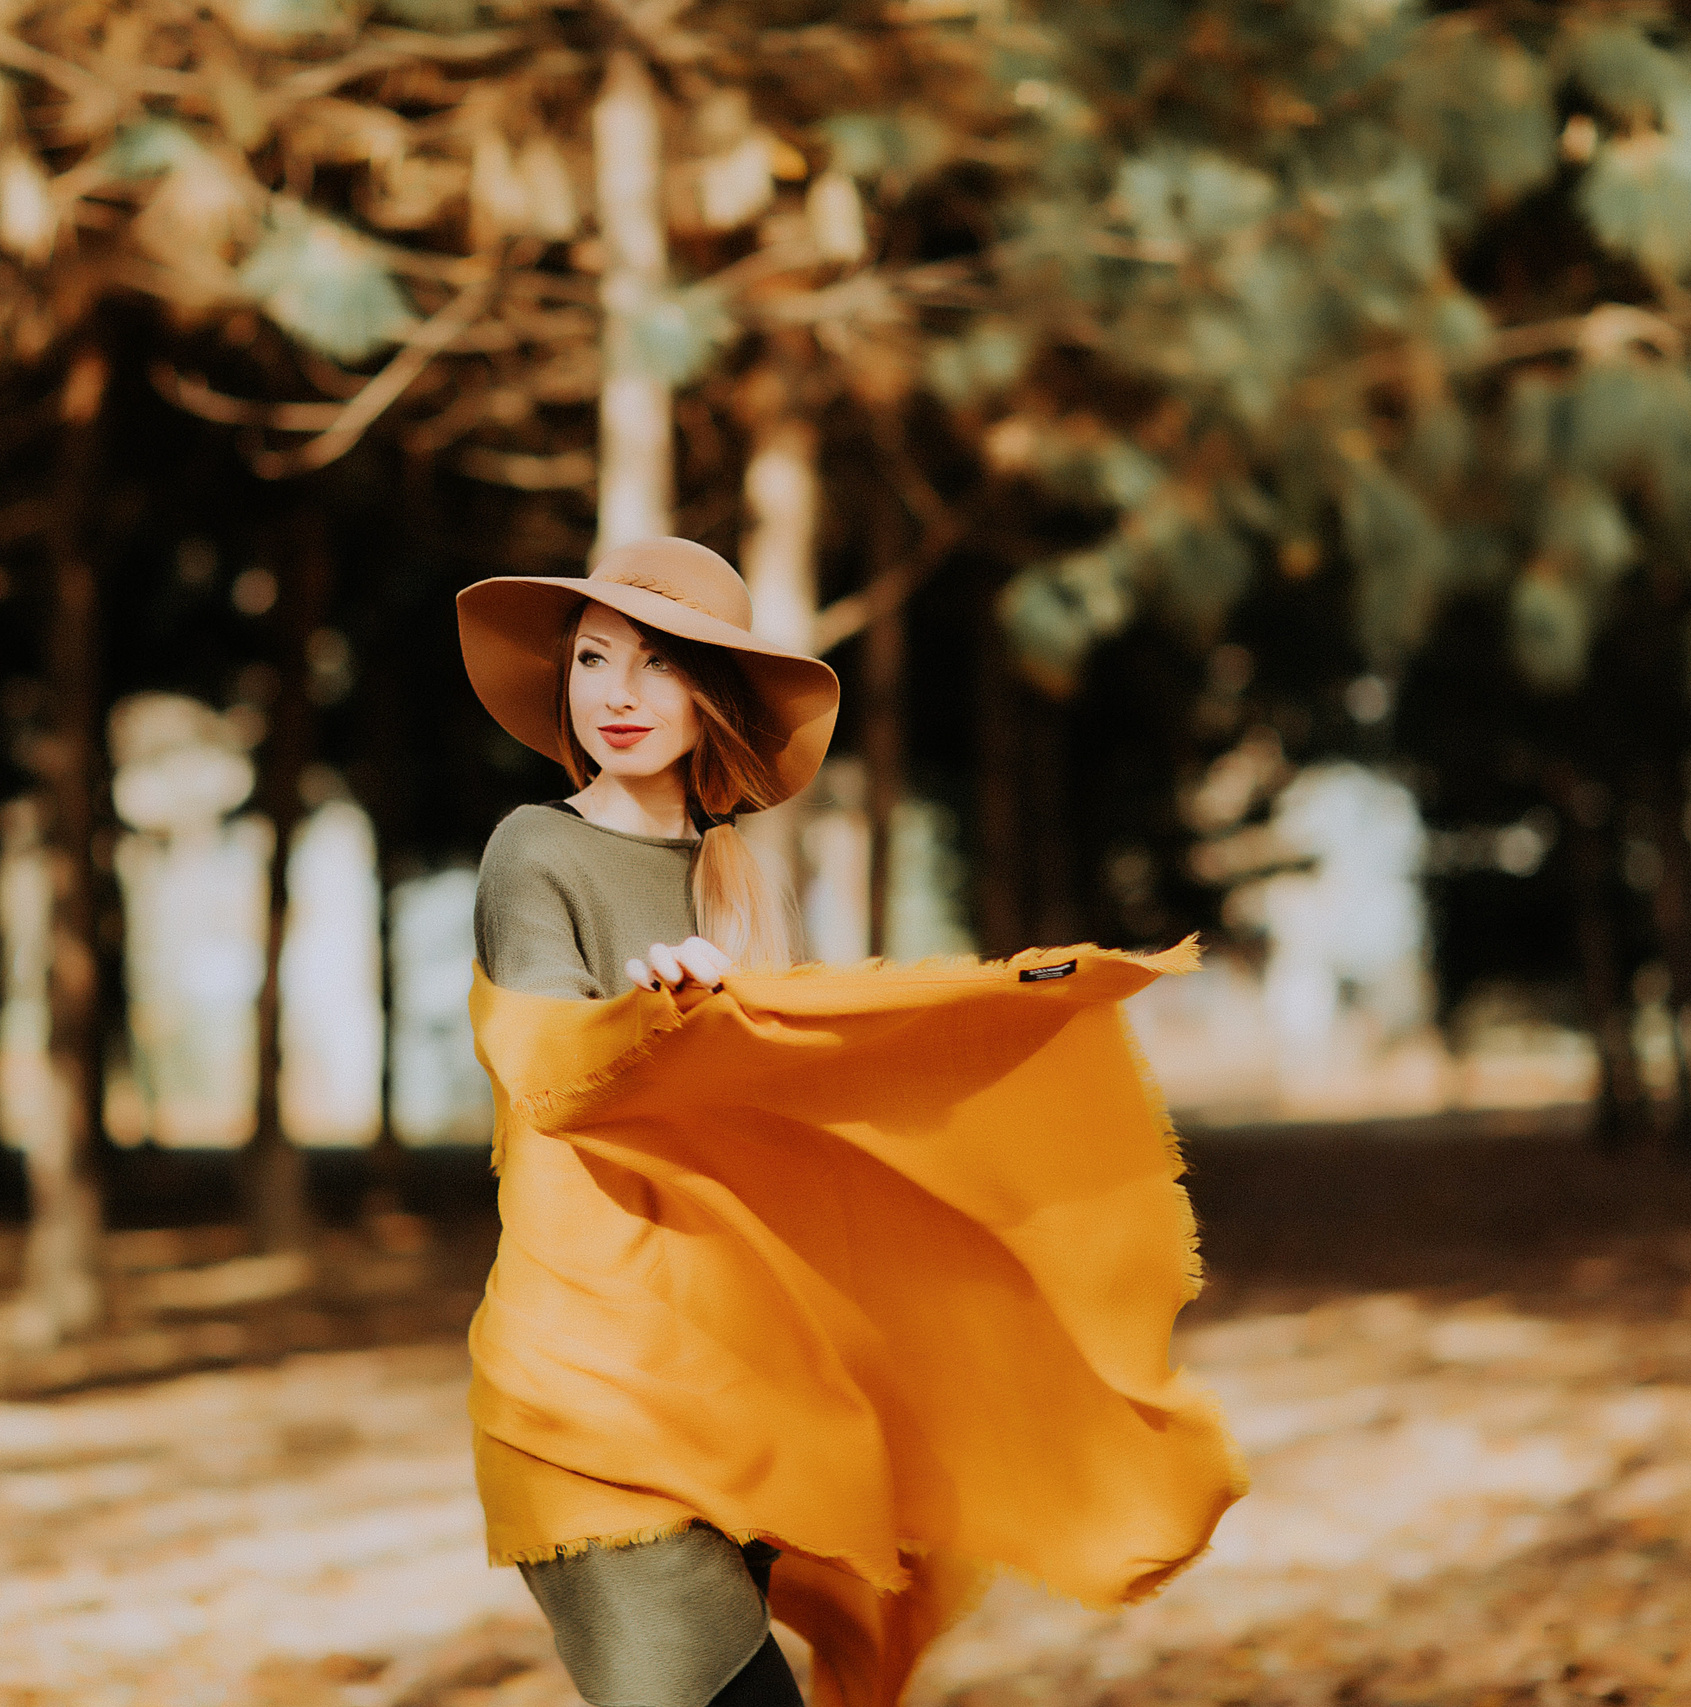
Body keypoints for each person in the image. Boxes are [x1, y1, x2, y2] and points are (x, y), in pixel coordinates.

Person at [456, 538, 1243, 1707]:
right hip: (590, 1390)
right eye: (593, 658)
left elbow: (797, 1108)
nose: (617, 694)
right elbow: (542, 1054)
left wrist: (1004, 1013)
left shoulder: (738, 879)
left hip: (742, 1382)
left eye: (659, 664)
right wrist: (648, 1014)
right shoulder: (536, 848)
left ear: (712, 694)